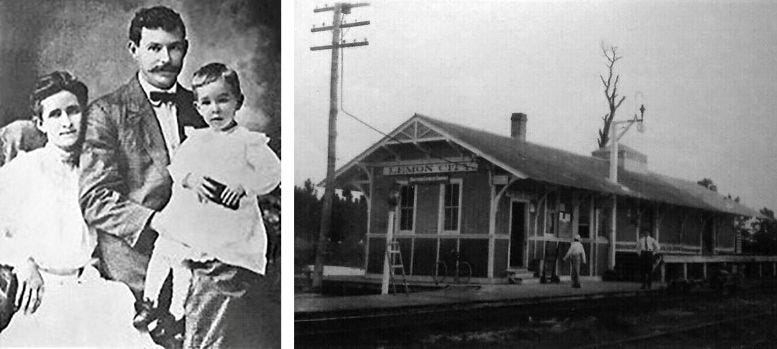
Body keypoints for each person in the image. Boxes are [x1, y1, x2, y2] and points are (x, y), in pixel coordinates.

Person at [78, 5, 207, 344]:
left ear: (185, 48)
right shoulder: (106, 113)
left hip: (200, 256)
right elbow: (95, 199)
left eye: (174, 47)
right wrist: (156, 222)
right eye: (154, 48)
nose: (166, 58)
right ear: (134, 50)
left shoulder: (201, 107)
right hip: (138, 264)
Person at [0, 71, 153, 347]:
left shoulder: (95, 169)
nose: (67, 122)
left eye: (73, 111)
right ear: (40, 123)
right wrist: (24, 263)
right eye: (55, 115)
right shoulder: (23, 170)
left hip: (89, 283)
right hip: (43, 288)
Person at [134, 63, 281, 348]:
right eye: (206, 103)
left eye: (223, 100)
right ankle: (155, 304)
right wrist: (192, 179)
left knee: (204, 280)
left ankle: (182, 318)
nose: (215, 110)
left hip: (229, 228)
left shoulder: (248, 142)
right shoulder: (197, 140)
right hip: (196, 222)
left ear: (238, 101)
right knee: (171, 255)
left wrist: (244, 185)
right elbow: (177, 169)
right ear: (198, 107)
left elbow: (273, 173)